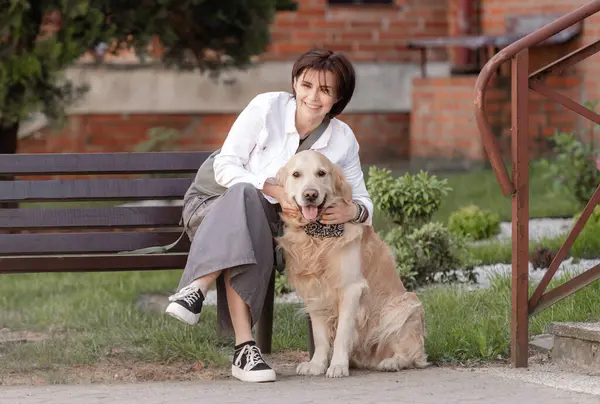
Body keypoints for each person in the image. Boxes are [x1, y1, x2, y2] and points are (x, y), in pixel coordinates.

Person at [164, 48, 374, 383]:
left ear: (338, 97)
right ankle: (243, 347)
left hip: (269, 225)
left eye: (325, 90)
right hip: (211, 208)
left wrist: (354, 209)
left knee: (253, 221)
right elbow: (225, 166)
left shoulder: (342, 139)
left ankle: (198, 288)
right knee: (247, 201)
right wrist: (273, 190)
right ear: (294, 83)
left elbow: (363, 200)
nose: (313, 97)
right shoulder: (266, 108)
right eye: (306, 85)